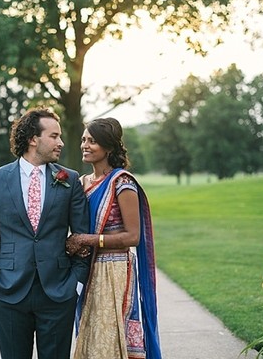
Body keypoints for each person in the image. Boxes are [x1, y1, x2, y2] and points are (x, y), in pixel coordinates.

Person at [0, 107, 91, 359]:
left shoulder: (69, 179)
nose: (60, 142)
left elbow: (82, 236)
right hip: (8, 292)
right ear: (33, 139)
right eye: (54, 136)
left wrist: (76, 283)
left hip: (59, 292)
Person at [66, 117, 162, 359]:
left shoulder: (122, 183)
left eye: (93, 141)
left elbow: (133, 236)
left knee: (108, 338)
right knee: (89, 337)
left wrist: (88, 240)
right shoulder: (82, 183)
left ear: (108, 147)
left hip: (115, 271)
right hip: (88, 270)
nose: (85, 145)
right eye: (84, 140)